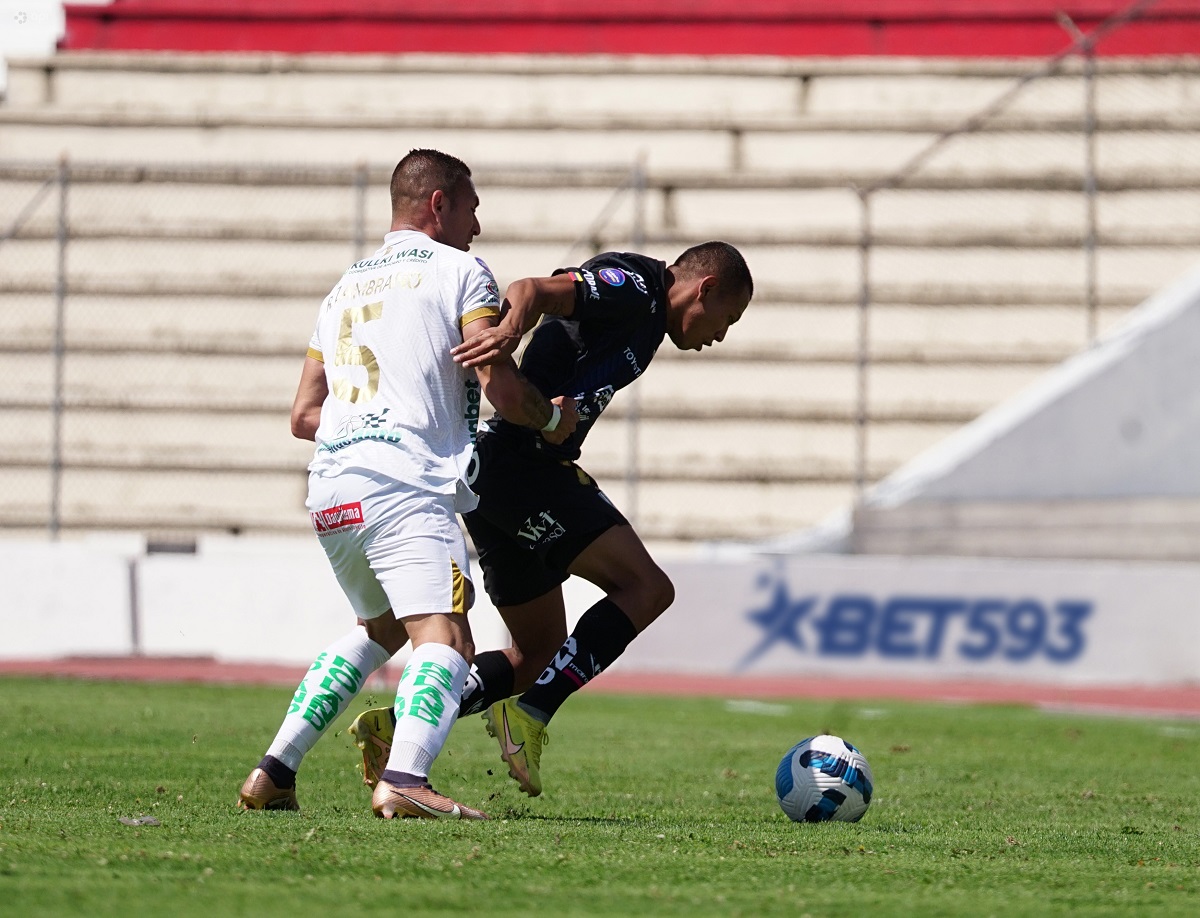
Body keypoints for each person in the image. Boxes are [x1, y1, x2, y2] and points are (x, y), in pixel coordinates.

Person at [236, 148, 577, 821]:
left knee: (381, 627)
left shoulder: (344, 289)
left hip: (333, 485)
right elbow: (501, 387)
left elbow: (304, 414)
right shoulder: (462, 273)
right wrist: (551, 419)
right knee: (444, 637)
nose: (478, 227)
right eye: (473, 208)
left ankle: (274, 770)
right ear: (439, 204)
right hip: (406, 484)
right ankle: (405, 779)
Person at [350, 240, 753, 799]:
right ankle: (532, 715)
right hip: (527, 466)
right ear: (704, 288)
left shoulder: (650, 315)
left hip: (496, 476)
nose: (720, 336)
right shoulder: (637, 289)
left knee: (537, 651)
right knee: (647, 587)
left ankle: (398, 727)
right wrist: (505, 337)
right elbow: (531, 290)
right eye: (727, 318)